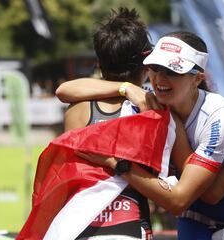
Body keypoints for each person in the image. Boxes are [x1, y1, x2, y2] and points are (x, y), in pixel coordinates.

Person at [57, 31, 224, 240]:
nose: (159, 79)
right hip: (195, 215)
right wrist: (125, 87)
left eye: (172, 71)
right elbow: (65, 91)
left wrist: (116, 163)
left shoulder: (218, 117)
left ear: (197, 78)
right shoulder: (154, 97)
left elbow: (209, 195)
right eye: (154, 67)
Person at [64, 8, 154, 239]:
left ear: (100, 64)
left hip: (79, 223)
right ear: (146, 63)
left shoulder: (79, 109)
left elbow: (70, 176)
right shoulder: (155, 108)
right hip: (131, 222)